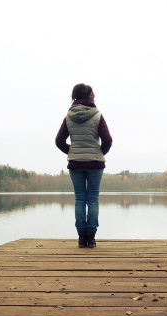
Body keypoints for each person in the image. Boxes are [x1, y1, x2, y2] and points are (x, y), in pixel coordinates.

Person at [55, 83, 112, 248]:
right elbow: (108, 140)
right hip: (95, 163)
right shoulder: (97, 115)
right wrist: (99, 153)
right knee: (93, 199)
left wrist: (72, 152)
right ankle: (91, 238)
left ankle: (81, 238)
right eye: (92, 93)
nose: (94, 95)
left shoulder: (68, 117)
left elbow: (59, 141)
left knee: (80, 199)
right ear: (86, 96)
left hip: (75, 164)